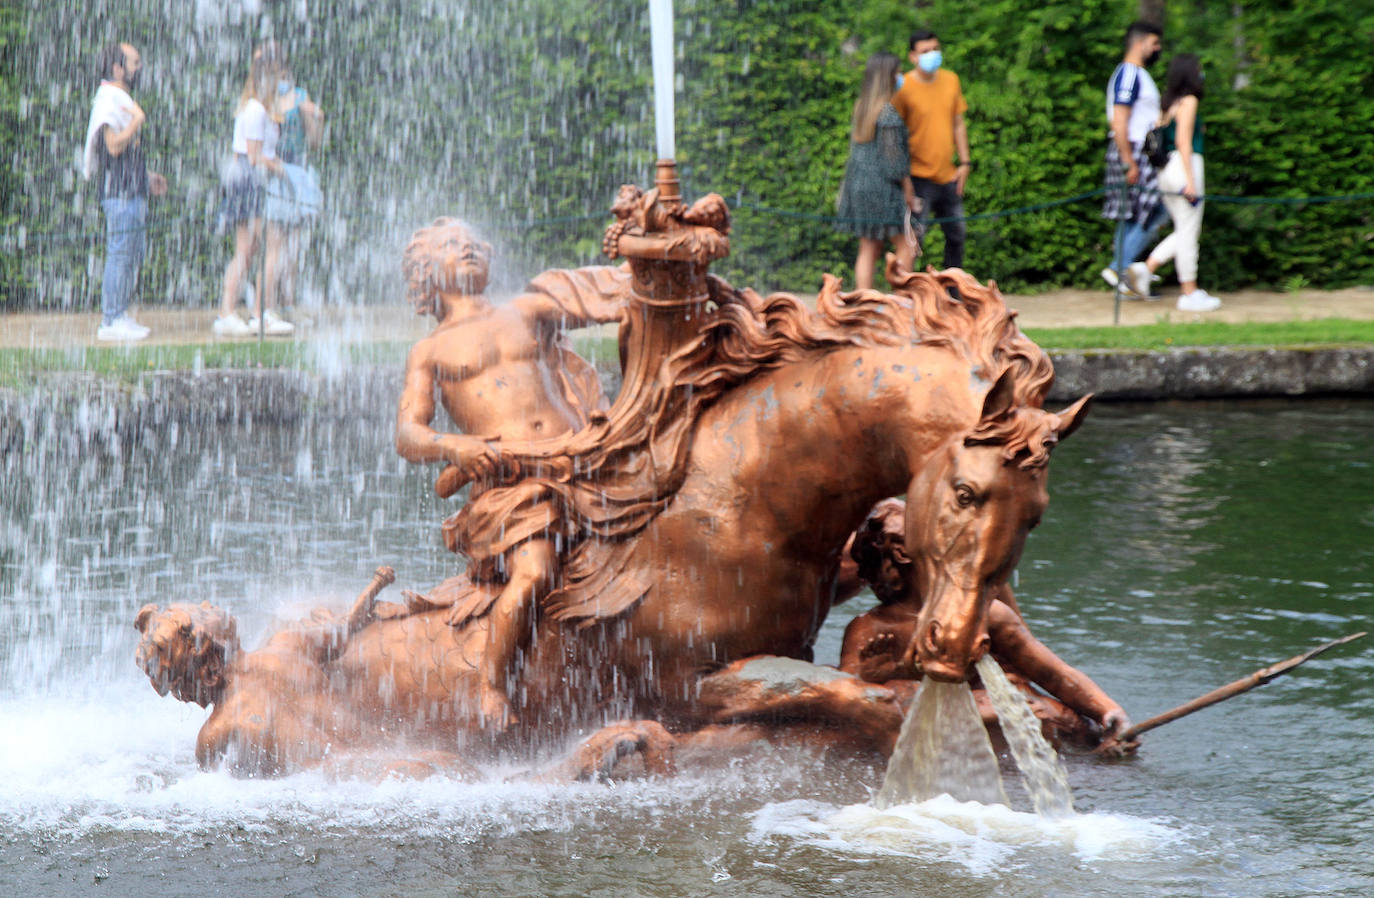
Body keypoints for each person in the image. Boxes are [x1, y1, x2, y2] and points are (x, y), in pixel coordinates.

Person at [394, 218, 629, 728]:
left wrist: (639, 264)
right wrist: (453, 445)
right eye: (453, 247)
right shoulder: (430, 350)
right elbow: (407, 434)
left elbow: (604, 298)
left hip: (581, 455)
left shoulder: (526, 309)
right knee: (533, 572)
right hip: (513, 481)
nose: (469, 250)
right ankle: (492, 685)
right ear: (429, 272)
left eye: (474, 243)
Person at [837, 499, 1136, 754]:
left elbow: (1053, 673)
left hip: (1000, 730)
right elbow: (843, 699)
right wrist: (872, 680)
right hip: (929, 741)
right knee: (896, 697)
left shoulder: (985, 612)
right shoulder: (868, 628)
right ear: (903, 551)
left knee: (1028, 709)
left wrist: (1107, 710)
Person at [82, 42, 168, 342]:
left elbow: (122, 152)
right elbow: (113, 146)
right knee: (120, 254)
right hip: (119, 194)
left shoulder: (118, 97)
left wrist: (146, 177)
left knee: (130, 255)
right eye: (134, 62)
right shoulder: (110, 98)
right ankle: (111, 319)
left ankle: (119, 313)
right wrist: (136, 121)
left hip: (130, 189)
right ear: (118, 68)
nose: (139, 67)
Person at [214, 46, 293, 337]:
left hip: (251, 181)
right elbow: (254, 156)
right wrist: (280, 168)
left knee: (251, 251)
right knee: (256, 250)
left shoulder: (260, 108)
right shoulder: (256, 110)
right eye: (278, 75)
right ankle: (244, 312)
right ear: (269, 77)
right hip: (250, 182)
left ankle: (247, 311)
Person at [1134, 54, 1221, 312]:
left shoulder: (1167, 104)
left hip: (1165, 171)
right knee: (1189, 230)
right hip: (1185, 165)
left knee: (1184, 228)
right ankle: (1189, 291)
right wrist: (1191, 181)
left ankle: (1145, 268)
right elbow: (1183, 140)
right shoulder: (1189, 101)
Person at [834, 52, 918, 290]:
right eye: (897, 72)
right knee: (907, 245)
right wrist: (908, 189)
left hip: (858, 185)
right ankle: (901, 302)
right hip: (882, 188)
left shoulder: (862, 107)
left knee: (868, 247)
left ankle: (864, 303)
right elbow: (893, 163)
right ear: (887, 77)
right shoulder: (888, 113)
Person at [892, 29, 970, 274]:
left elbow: (958, 122)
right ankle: (908, 299)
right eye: (925, 51)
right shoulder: (903, 87)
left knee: (957, 236)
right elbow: (893, 133)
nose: (932, 55)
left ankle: (953, 297)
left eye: (935, 49)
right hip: (917, 176)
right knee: (913, 241)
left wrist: (965, 163)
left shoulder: (950, 79)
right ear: (913, 56)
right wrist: (903, 179)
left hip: (948, 175)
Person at [1102, 20, 1169, 300]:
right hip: (1133, 151)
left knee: (1133, 215)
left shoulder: (1137, 75)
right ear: (1140, 43)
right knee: (1157, 210)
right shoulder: (1129, 74)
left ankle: (1123, 273)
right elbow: (1120, 119)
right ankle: (1119, 266)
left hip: (1138, 151)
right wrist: (1129, 160)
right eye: (1155, 44)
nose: (1158, 49)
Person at [261, 46, 324, 321]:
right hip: (274, 174)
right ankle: (267, 309)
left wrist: (315, 118)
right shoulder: (261, 98)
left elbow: (315, 142)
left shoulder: (299, 96)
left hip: (298, 174)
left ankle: (287, 306)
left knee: (293, 248)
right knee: (274, 246)